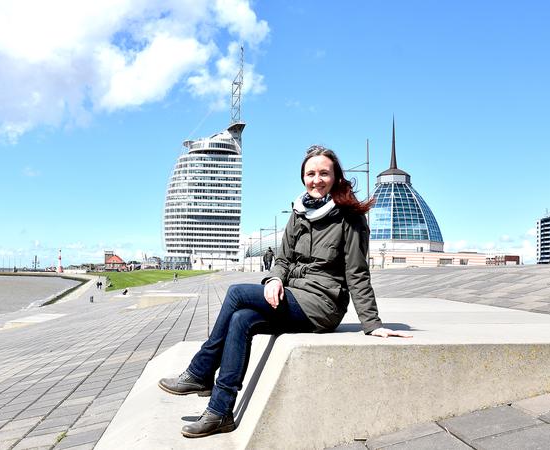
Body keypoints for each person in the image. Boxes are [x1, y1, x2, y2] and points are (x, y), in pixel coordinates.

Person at [158, 145, 411, 438]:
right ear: (303, 177)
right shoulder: (299, 212)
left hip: (321, 306)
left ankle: (200, 373)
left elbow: (357, 273)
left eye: (324, 173)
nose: (316, 180)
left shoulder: (350, 218)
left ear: (336, 176)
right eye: (310, 173)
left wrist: (373, 325)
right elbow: (282, 260)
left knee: (237, 293)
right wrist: (274, 280)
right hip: (291, 295)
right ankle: (220, 411)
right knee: (241, 319)